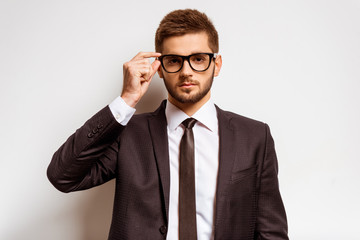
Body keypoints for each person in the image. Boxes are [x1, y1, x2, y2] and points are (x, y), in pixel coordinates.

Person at [47, 9, 288, 240]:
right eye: (174, 61)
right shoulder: (128, 134)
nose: (186, 71)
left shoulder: (255, 137)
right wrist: (126, 100)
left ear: (217, 64)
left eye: (198, 59)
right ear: (160, 68)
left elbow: (271, 232)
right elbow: (62, 176)